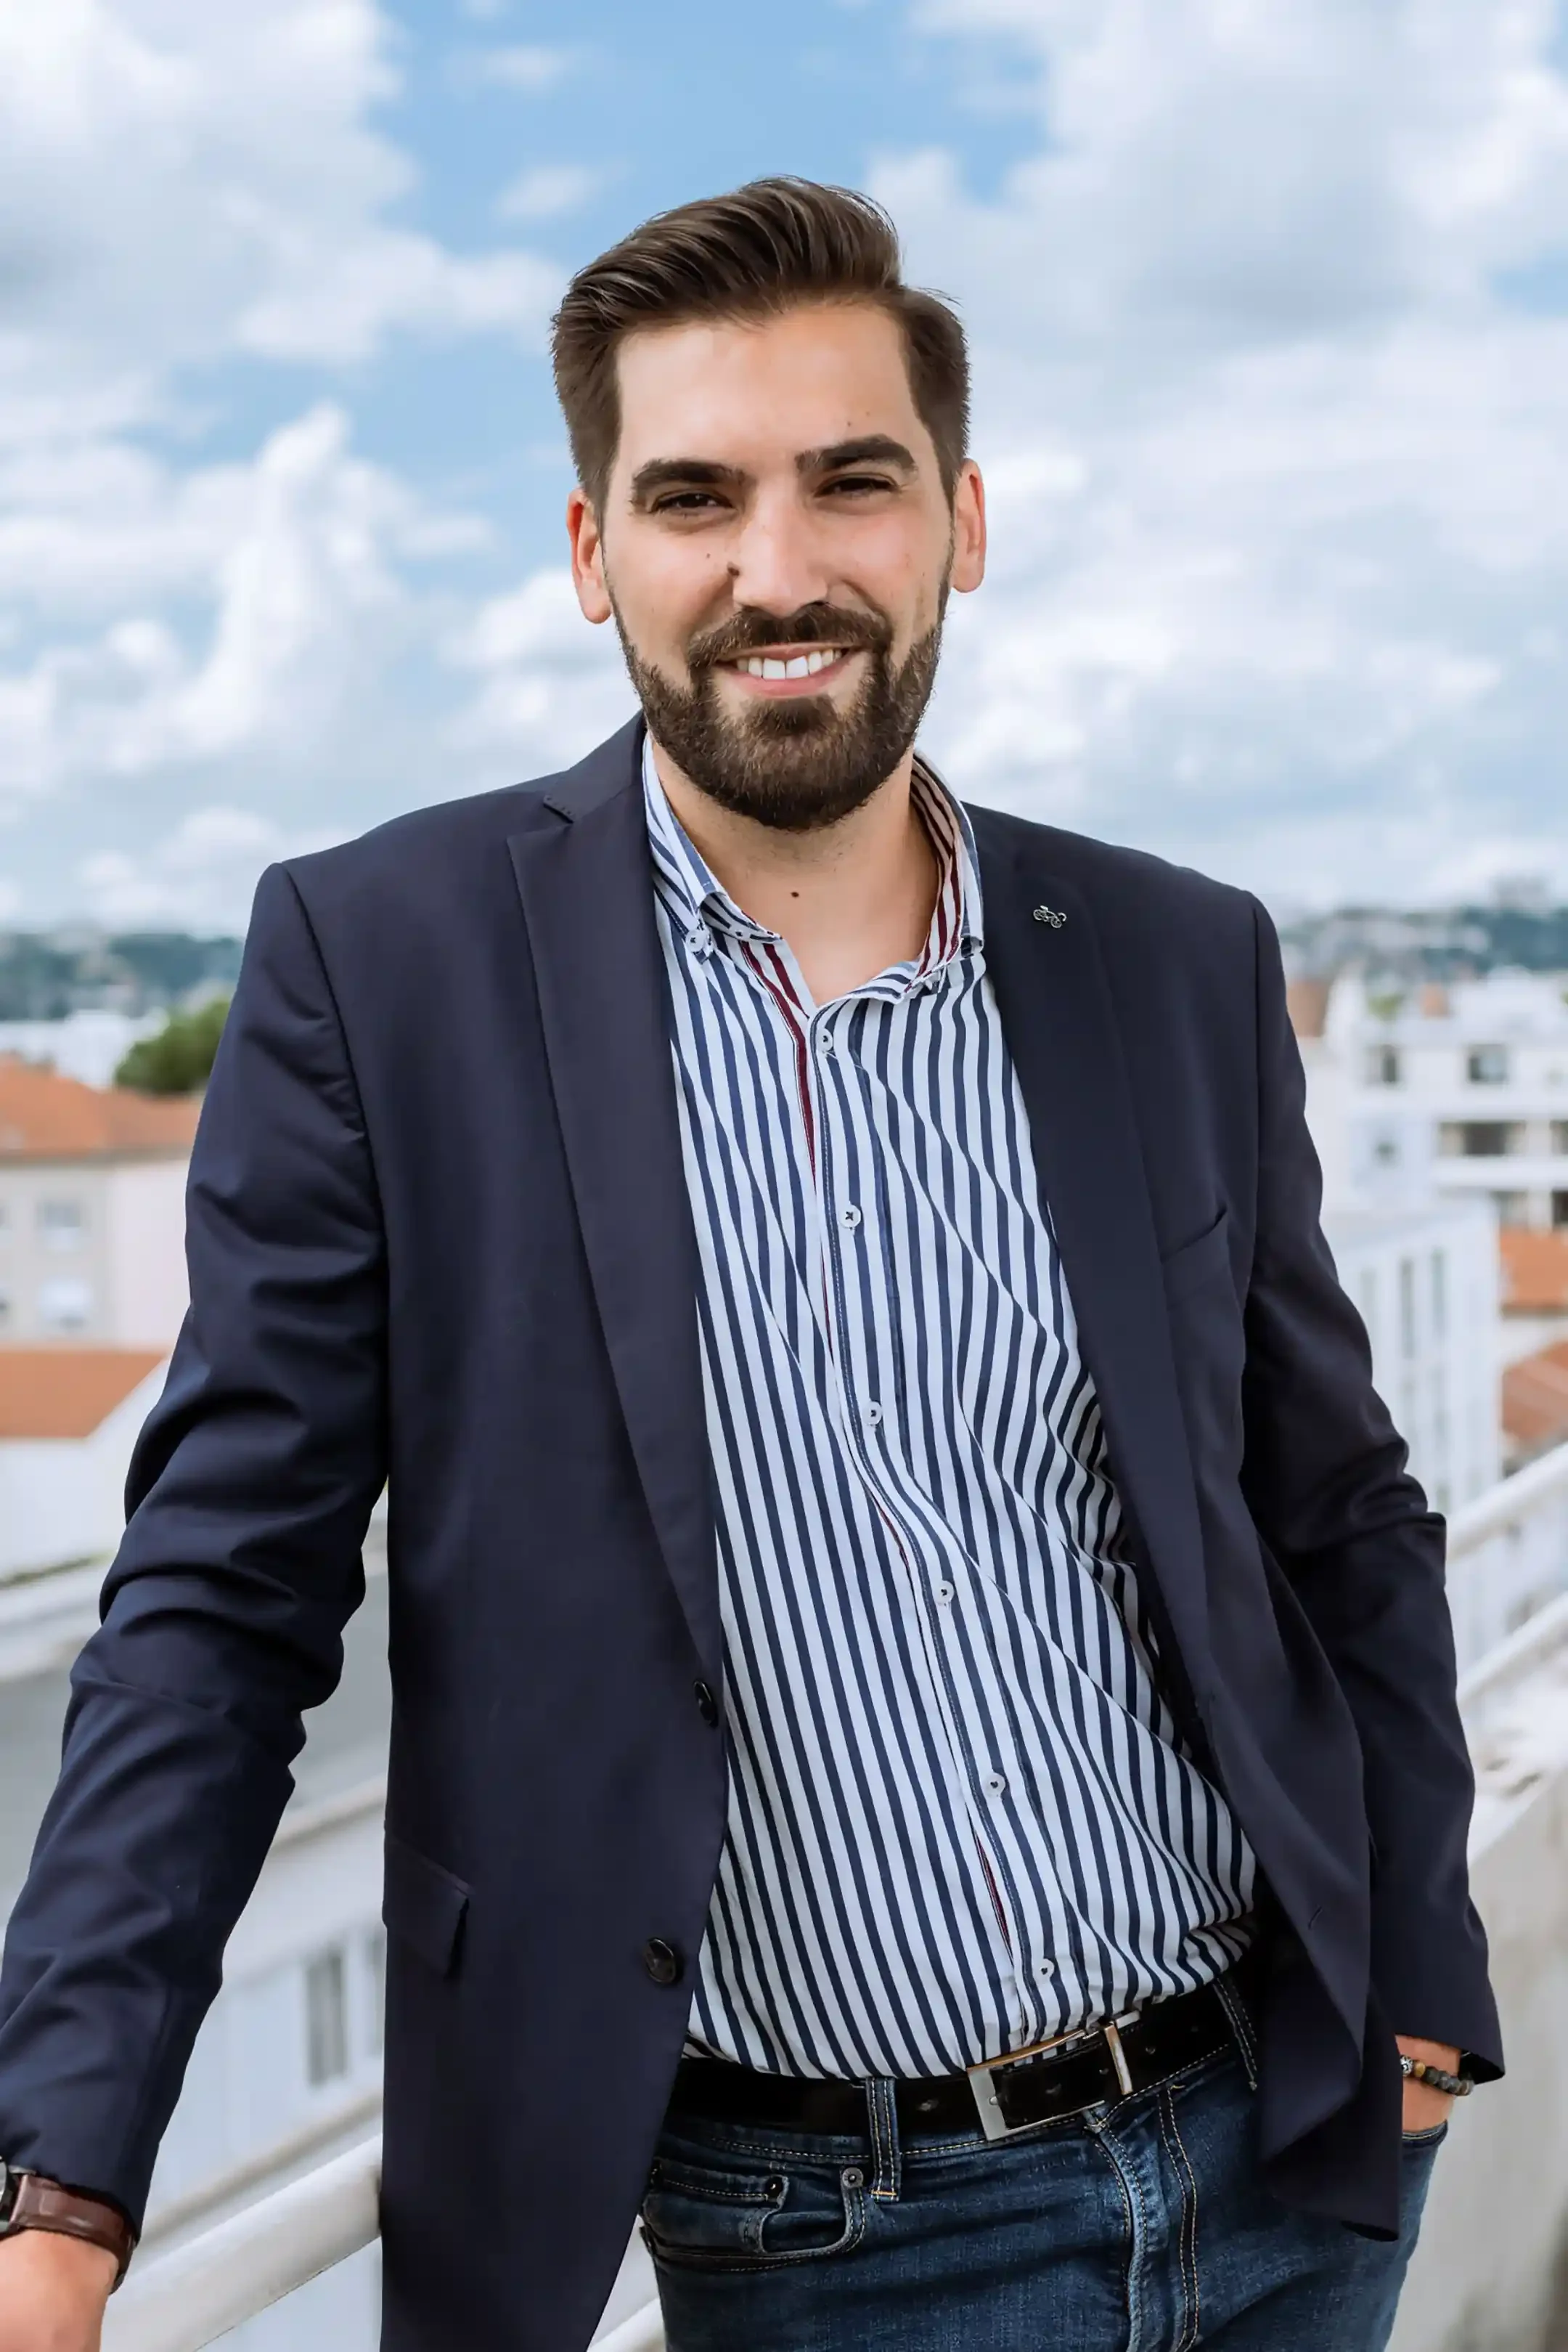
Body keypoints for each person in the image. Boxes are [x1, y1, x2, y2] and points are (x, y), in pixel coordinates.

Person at [0, 179, 1500, 2352]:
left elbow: (1340, 1509)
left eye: (851, 483)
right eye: (691, 493)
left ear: (960, 521)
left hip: (1284, 2147)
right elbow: (222, 1603)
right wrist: (58, 2182)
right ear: (592, 549)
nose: (776, 568)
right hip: (831, 2229)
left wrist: (1421, 1971)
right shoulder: (381, 967)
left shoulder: (1175, 957)